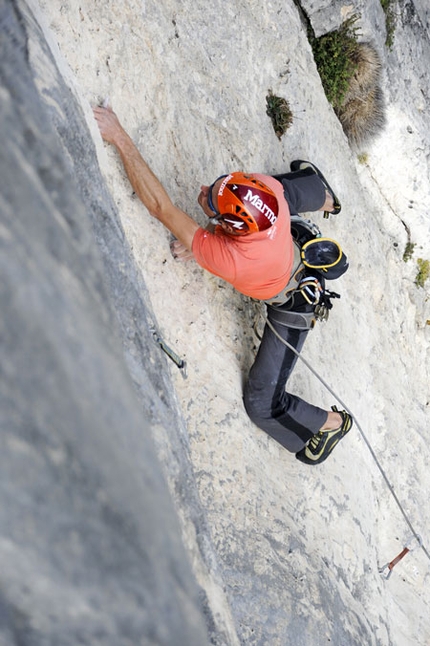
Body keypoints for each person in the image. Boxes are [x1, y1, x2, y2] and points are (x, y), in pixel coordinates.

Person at [93, 104, 353, 465]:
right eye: (214, 189)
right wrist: (204, 239)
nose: (202, 190)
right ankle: (324, 195)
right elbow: (225, 222)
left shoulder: (229, 257)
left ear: (232, 229)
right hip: (287, 242)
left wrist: (119, 138)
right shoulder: (268, 192)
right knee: (284, 195)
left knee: (261, 405)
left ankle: (332, 424)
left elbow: (161, 208)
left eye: (210, 202)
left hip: (293, 303)